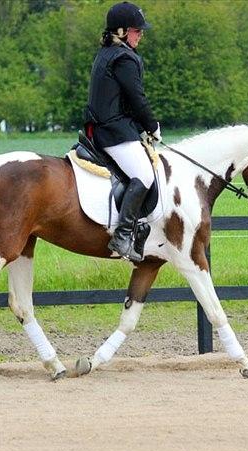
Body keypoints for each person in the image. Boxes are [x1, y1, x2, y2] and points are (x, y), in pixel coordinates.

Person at [84, 1, 161, 262]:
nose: (141, 35)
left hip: (102, 129)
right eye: (136, 30)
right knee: (144, 175)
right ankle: (123, 235)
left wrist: (140, 128)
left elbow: (121, 101)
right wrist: (152, 126)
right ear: (121, 31)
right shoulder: (125, 58)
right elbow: (137, 99)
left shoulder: (105, 53)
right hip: (114, 133)